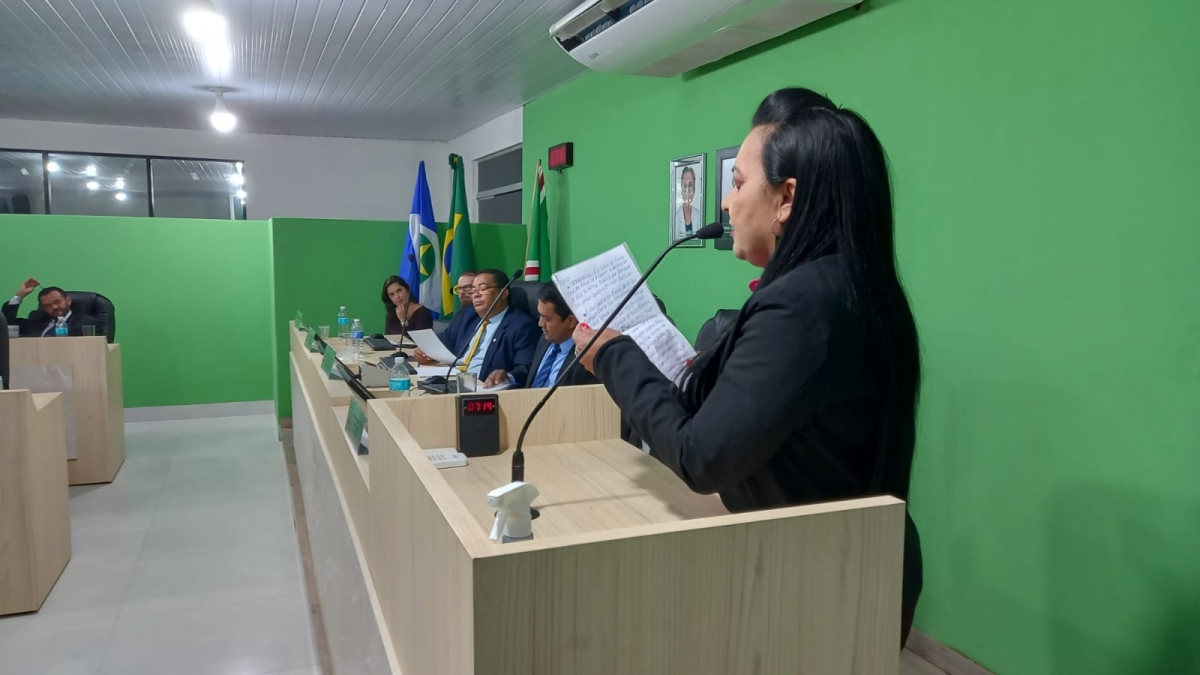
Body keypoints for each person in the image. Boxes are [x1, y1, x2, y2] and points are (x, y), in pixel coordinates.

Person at [572, 88, 924, 646]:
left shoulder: (802, 305)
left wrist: (614, 355)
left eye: (737, 184)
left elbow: (700, 458)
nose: (725, 203)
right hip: (854, 566)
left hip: (812, 587)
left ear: (787, 198)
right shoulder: (855, 285)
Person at [414, 269, 540, 377]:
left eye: (483, 288)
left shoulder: (522, 326)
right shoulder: (468, 314)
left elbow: (525, 368)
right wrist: (425, 351)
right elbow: (445, 339)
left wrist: (507, 377)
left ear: (503, 293)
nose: (476, 295)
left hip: (483, 387)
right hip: (452, 378)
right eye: (473, 290)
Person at [484, 283, 598, 389]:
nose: (540, 323)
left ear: (571, 321)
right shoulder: (546, 339)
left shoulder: (587, 357)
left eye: (547, 319)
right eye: (540, 316)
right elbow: (534, 368)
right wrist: (509, 377)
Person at [3, 278, 100, 337]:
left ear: (68, 301)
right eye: (47, 305)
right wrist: (19, 296)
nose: (54, 307)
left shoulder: (86, 322)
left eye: (57, 302)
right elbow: (5, 324)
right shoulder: (36, 320)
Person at [673, 166, 699, 238]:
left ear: (694, 189)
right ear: (681, 189)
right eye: (685, 186)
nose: (687, 190)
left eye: (690, 185)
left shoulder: (699, 215)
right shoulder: (676, 217)